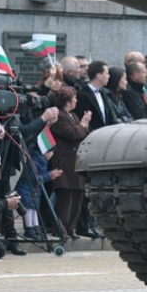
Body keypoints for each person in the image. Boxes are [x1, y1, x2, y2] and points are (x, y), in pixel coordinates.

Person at [48, 87, 90, 240]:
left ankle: (71, 227)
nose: (76, 101)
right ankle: (60, 227)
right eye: (74, 98)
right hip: (64, 160)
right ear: (67, 100)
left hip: (76, 160)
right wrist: (84, 124)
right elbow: (72, 134)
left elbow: (82, 134)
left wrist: (82, 126)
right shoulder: (60, 116)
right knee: (65, 196)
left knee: (77, 195)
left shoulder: (73, 116)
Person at [76, 60, 111, 131]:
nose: (109, 76)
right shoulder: (82, 94)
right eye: (107, 73)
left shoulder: (103, 93)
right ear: (99, 76)